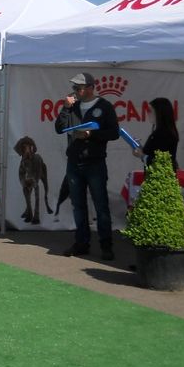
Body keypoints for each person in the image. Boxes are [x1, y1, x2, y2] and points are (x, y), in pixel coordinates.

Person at [54, 72, 119, 260]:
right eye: (74, 88)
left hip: (95, 163)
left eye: (79, 88)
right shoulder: (72, 107)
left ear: (91, 87)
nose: (76, 91)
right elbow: (59, 128)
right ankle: (81, 242)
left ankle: (106, 245)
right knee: (78, 206)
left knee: (101, 205)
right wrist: (65, 108)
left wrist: (92, 134)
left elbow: (114, 133)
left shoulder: (104, 107)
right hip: (74, 163)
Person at [133, 97, 179, 170]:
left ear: (159, 112)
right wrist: (139, 148)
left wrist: (142, 155)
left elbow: (161, 161)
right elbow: (151, 153)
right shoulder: (158, 133)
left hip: (162, 178)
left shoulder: (165, 134)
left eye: (150, 111)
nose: (148, 113)